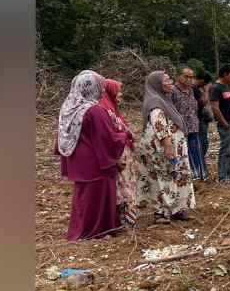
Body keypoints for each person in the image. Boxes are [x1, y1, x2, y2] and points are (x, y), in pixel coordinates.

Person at [56, 70, 130, 241]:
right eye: (100, 87)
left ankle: (81, 228)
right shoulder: (95, 111)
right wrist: (125, 135)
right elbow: (107, 138)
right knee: (97, 196)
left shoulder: (69, 108)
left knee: (83, 196)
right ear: (92, 88)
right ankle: (96, 230)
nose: (103, 91)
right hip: (95, 161)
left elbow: (61, 136)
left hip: (77, 160)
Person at [137, 70, 196, 224]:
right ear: (157, 84)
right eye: (166, 80)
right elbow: (160, 126)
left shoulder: (165, 100)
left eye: (170, 79)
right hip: (163, 149)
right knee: (163, 178)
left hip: (171, 148)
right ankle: (162, 212)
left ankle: (177, 209)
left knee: (175, 176)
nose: (170, 82)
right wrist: (169, 146)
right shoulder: (156, 103)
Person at [98, 78, 139, 227]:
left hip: (123, 152)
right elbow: (109, 136)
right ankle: (123, 220)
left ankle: (127, 218)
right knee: (122, 188)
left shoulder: (113, 109)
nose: (121, 94)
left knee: (125, 186)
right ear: (110, 91)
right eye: (118, 91)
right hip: (118, 155)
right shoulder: (105, 110)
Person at [173, 66, 205, 181]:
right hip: (180, 128)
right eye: (186, 76)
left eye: (191, 77)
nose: (189, 79)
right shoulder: (173, 91)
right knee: (184, 154)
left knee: (196, 151)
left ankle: (199, 175)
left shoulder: (191, 90)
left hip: (193, 126)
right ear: (179, 76)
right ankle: (187, 177)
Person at [210, 63, 230, 182]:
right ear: (225, 74)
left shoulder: (226, 87)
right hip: (226, 124)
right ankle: (223, 177)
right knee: (226, 150)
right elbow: (215, 108)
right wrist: (225, 124)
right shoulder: (216, 88)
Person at [195, 71, 213, 179]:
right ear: (202, 81)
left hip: (200, 120)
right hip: (198, 121)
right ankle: (201, 169)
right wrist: (206, 91)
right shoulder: (195, 89)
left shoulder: (195, 88)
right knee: (202, 144)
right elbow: (203, 102)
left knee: (202, 144)